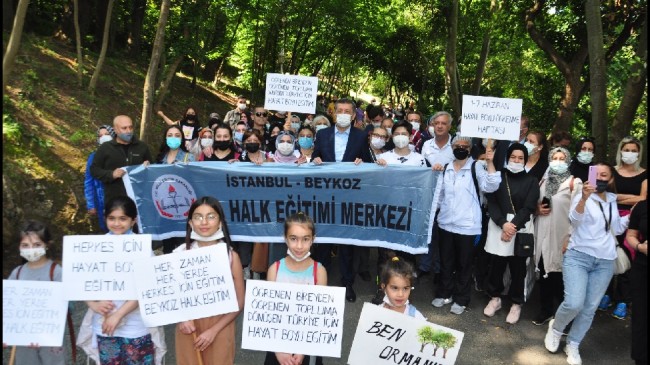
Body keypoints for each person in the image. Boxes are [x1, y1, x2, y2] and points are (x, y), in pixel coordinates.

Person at [544, 163, 630, 365]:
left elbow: (616, 229)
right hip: (578, 256)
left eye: (604, 175)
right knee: (574, 302)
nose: (600, 178)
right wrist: (583, 197)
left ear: (610, 179)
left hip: (605, 260)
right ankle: (556, 328)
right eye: (596, 174)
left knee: (589, 307)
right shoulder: (580, 194)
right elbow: (575, 219)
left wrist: (631, 218)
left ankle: (573, 343)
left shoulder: (611, 199)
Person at [78, 196, 166, 365]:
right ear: (105, 219)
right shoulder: (94, 247)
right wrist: (93, 304)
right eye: (112, 218)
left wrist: (118, 315)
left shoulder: (142, 248)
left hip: (136, 327)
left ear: (133, 220)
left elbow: (146, 288)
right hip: (104, 325)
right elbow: (81, 281)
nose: (117, 223)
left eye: (122, 219)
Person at [431, 134, 501, 315]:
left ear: (470, 149)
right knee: (446, 262)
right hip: (446, 223)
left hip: (468, 227)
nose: (460, 148)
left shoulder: (476, 166)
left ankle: (461, 299)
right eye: (457, 145)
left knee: (464, 265)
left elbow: (491, 186)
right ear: (452, 148)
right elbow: (439, 196)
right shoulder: (446, 168)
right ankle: (444, 293)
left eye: (464, 146)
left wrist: (491, 163)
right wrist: (432, 215)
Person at [312, 97, 371, 302]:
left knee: (347, 243)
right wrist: (315, 160)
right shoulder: (322, 134)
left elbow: (369, 164)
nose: (344, 114)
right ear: (333, 113)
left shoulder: (361, 136)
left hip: (350, 198)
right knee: (324, 242)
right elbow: (314, 158)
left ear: (354, 115)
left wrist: (362, 162)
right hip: (325, 198)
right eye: (340, 110)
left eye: (348, 111)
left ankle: (347, 282)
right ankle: (321, 283)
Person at [174, 196, 245, 365]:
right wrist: (182, 318)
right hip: (188, 326)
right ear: (190, 223)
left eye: (211, 216)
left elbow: (239, 301)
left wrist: (214, 330)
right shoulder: (179, 254)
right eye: (198, 216)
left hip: (220, 327)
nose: (204, 222)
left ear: (220, 222)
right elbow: (170, 296)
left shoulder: (231, 257)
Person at [482, 143, 539, 324]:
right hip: (499, 225)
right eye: (513, 157)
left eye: (520, 158)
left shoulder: (531, 180)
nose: (516, 160)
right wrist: (502, 224)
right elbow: (492, 202)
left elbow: (529, 207)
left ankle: (516, 303)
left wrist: (512, 226)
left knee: (518, 267)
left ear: (525, 159)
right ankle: (495, 298)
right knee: (496, 265)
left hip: (520, 227)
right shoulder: (499, 176)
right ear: (508, 158)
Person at [264, 212, 328, 365]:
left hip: (308, 347)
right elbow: (267, 313)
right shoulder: (275, 269)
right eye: (293, 239)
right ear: (285, 238)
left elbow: (321, 315)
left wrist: (303, 350)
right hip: (277, 345)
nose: (299, 246)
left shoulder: (319, 271)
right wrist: (278, 351)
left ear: (313, 239)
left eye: (305, 239)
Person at [533, 147, 583, 326]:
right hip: (542, 233)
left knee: (561, 276)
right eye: (555, 158)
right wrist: (537, 209)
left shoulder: (574, 183)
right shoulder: (543, 181)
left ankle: (564, 318)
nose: (558, 161)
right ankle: (545, 311)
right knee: (544, 272)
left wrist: (571, 236)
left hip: (563, 237)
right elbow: (534, 204)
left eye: (562, 158)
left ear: (568, 161)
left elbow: (579, 211)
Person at [6, 220, 66, 365]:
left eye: (37, 245)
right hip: (23, 338)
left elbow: (68, 306)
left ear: (47, 244)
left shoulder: (57, 272)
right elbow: (8, 306)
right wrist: (7, 334)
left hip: (50, 338)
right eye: (25, 245)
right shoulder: (17, 273)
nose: (31, 249)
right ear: (19, 246)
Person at [602, 135, 647, 319]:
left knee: (628, 258)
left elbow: (643, 199)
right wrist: (629, 198)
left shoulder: (645, 173)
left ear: (639, 153)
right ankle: (606, 295)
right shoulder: (611, 171)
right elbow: (604, 193)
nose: (630, 153)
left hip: (633, 221)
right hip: (609, 218)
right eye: (626, 150)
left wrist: (617, 196)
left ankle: (623, 300)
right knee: (607, 255)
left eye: (634, 151)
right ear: (620, 150)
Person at [418, 111, 455, 282]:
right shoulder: (426, 145)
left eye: (444, 123)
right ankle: (425, 266)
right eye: (436, 123)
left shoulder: (456, 145)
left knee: (445, 238)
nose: (439, 126)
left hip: (450, 199)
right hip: (430, 197)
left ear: (449, 126)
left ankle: (440, 269)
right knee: (428, 233)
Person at [90, 115, 153, 204]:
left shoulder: (142, 147)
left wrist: (149, 167)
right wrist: (111, 174)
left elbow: (152, 171)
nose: (128, 131)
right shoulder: (105, 148)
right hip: (114, 200)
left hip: (139, 200)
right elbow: (94, 170)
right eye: (124, 128)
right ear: (115, 129)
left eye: (130, 127)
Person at [626, 199, 647, 365]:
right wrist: (640, 247)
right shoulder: (641, 207)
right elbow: (631, 235)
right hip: (642, 268)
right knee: (641, 316)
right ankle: (640, 359)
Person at [84, 125, 115, 232]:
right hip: (101, 200)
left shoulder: (121, 154)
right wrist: (91, 204)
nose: (103, 137)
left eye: (106, 134)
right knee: (107, 227)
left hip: (120, 199)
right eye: (100, 135)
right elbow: (89, 182)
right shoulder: (93, 157)